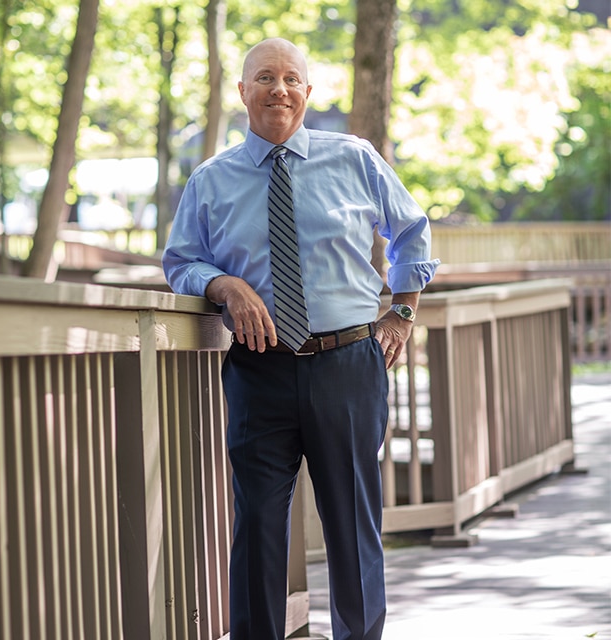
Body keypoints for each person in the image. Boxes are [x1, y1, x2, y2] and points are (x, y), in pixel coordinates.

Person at [163, 37, 439, 640]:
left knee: (352, 524)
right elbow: (181, 261)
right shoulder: (211, 181)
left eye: (291, 79)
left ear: (308, 93)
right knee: (258, 525)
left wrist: (403, 312)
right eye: (265, 78)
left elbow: (412, 230)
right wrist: (223, 285)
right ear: (242, 92)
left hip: (347, 364)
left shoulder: (355, 158)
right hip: (258, 367)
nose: (279, 90)